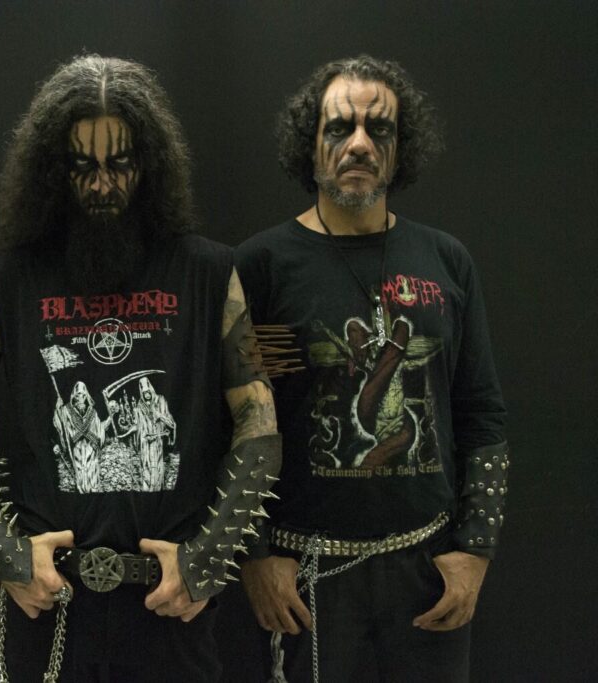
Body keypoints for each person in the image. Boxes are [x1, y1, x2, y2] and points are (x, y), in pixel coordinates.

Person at [0, 53, 284, 683]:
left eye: (120, 164)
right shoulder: (6, 282)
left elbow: (260, 424)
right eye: (82, 166)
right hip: (51, 607)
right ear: (53, 171)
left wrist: (208, 562)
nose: (103, 185)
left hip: (170, 611)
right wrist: (7, 556)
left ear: (150, 165)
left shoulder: (210, 274)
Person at [235, 55, 508, 683]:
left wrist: (474, 549)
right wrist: (254, 555)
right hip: (306, 575)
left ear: (399, 146)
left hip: (426, 571)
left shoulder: (446, 261)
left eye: (378, 129)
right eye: (339, 128)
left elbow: (482, 413)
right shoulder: (263, 267)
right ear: (312, 146)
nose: (358, 143)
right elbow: (238, 422)